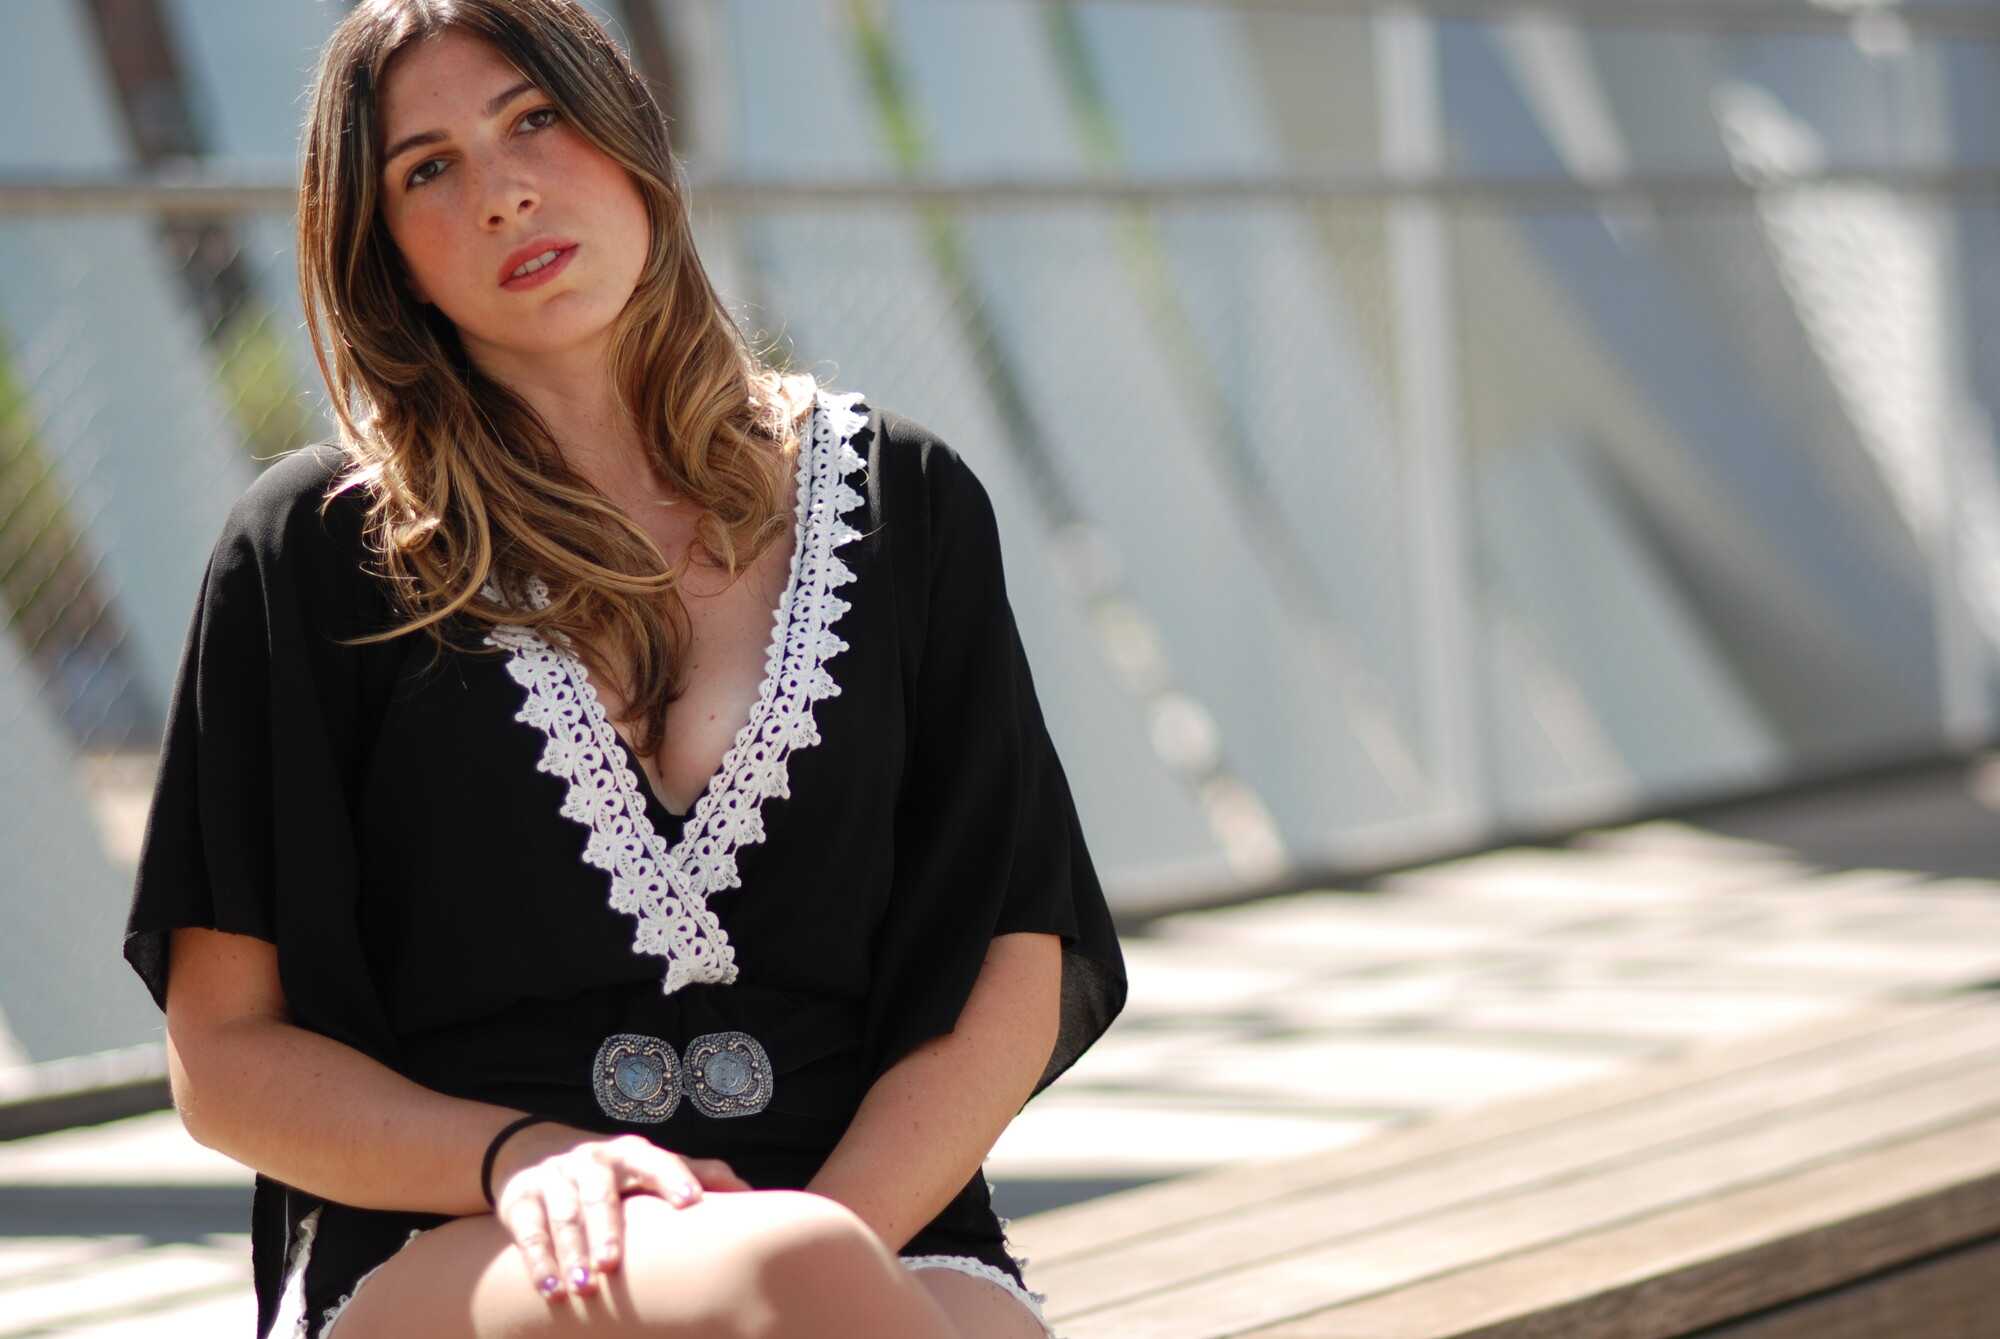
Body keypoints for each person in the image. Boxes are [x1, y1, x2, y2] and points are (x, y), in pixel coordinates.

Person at [121, 2, 1125, 1335]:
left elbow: (1015, 957)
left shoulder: (907, 500)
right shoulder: (317, 551)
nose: (503, 192)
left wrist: (837, 1242)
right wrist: (517, 1157)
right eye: (429, 168)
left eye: (534, 120)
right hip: (472, 1226)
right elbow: (224, 1057)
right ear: (384, 251)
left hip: (873, 1206)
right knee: (787, 1275)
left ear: (630, 135)